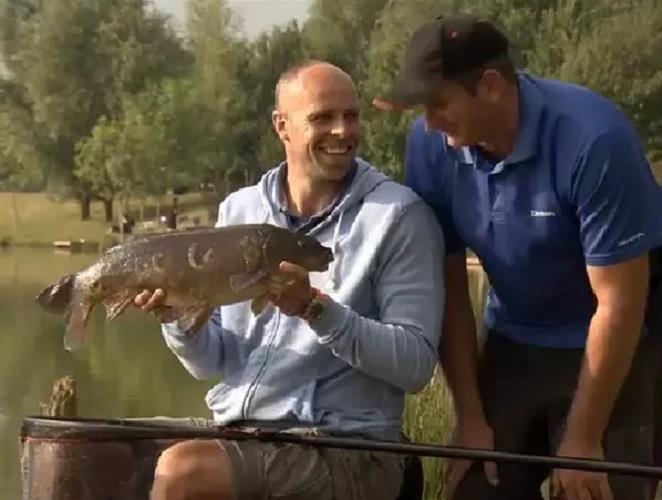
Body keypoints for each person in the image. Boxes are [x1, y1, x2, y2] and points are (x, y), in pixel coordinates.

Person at [373, 13, 662, 500]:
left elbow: (620, 303)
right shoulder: (431, 144)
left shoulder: (594, 140)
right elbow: (448, 281)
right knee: (475, 488)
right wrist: (469, 417)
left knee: (595, 488)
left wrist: (583, 439)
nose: (429, 122)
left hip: (615, 338)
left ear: (490, 86)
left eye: (439, 103)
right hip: (514, 335)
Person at [135, 60, 446, 500]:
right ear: (281, 126)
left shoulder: (398, 217)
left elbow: (415, 366)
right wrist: (177, 317)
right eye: (323, 117)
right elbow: (210, 362)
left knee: (185, 472)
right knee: (94, 448)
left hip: (349, 447)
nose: (342, 131)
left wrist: (314, 308)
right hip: (239, 428)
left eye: (351, 116)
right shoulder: (239, 210)